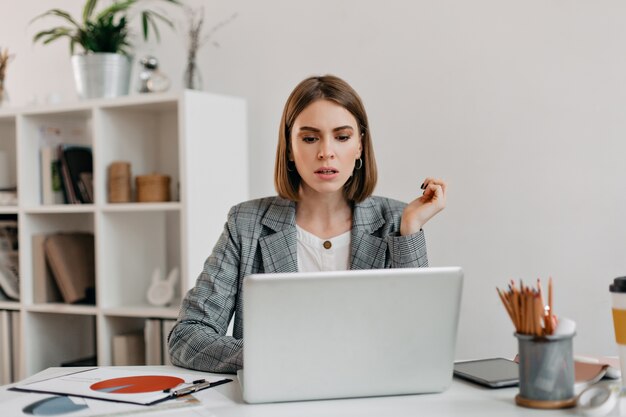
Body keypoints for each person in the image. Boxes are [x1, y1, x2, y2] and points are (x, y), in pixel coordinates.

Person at [168, 75, 447, 374]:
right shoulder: (245, 223)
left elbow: (420, 340)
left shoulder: (395, 220)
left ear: (360, 147)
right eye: (310, 138)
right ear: (289, 147)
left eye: (342, 137)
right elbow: (187, 337)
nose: (326, 152)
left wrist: (410, 230)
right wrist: (274, 357)